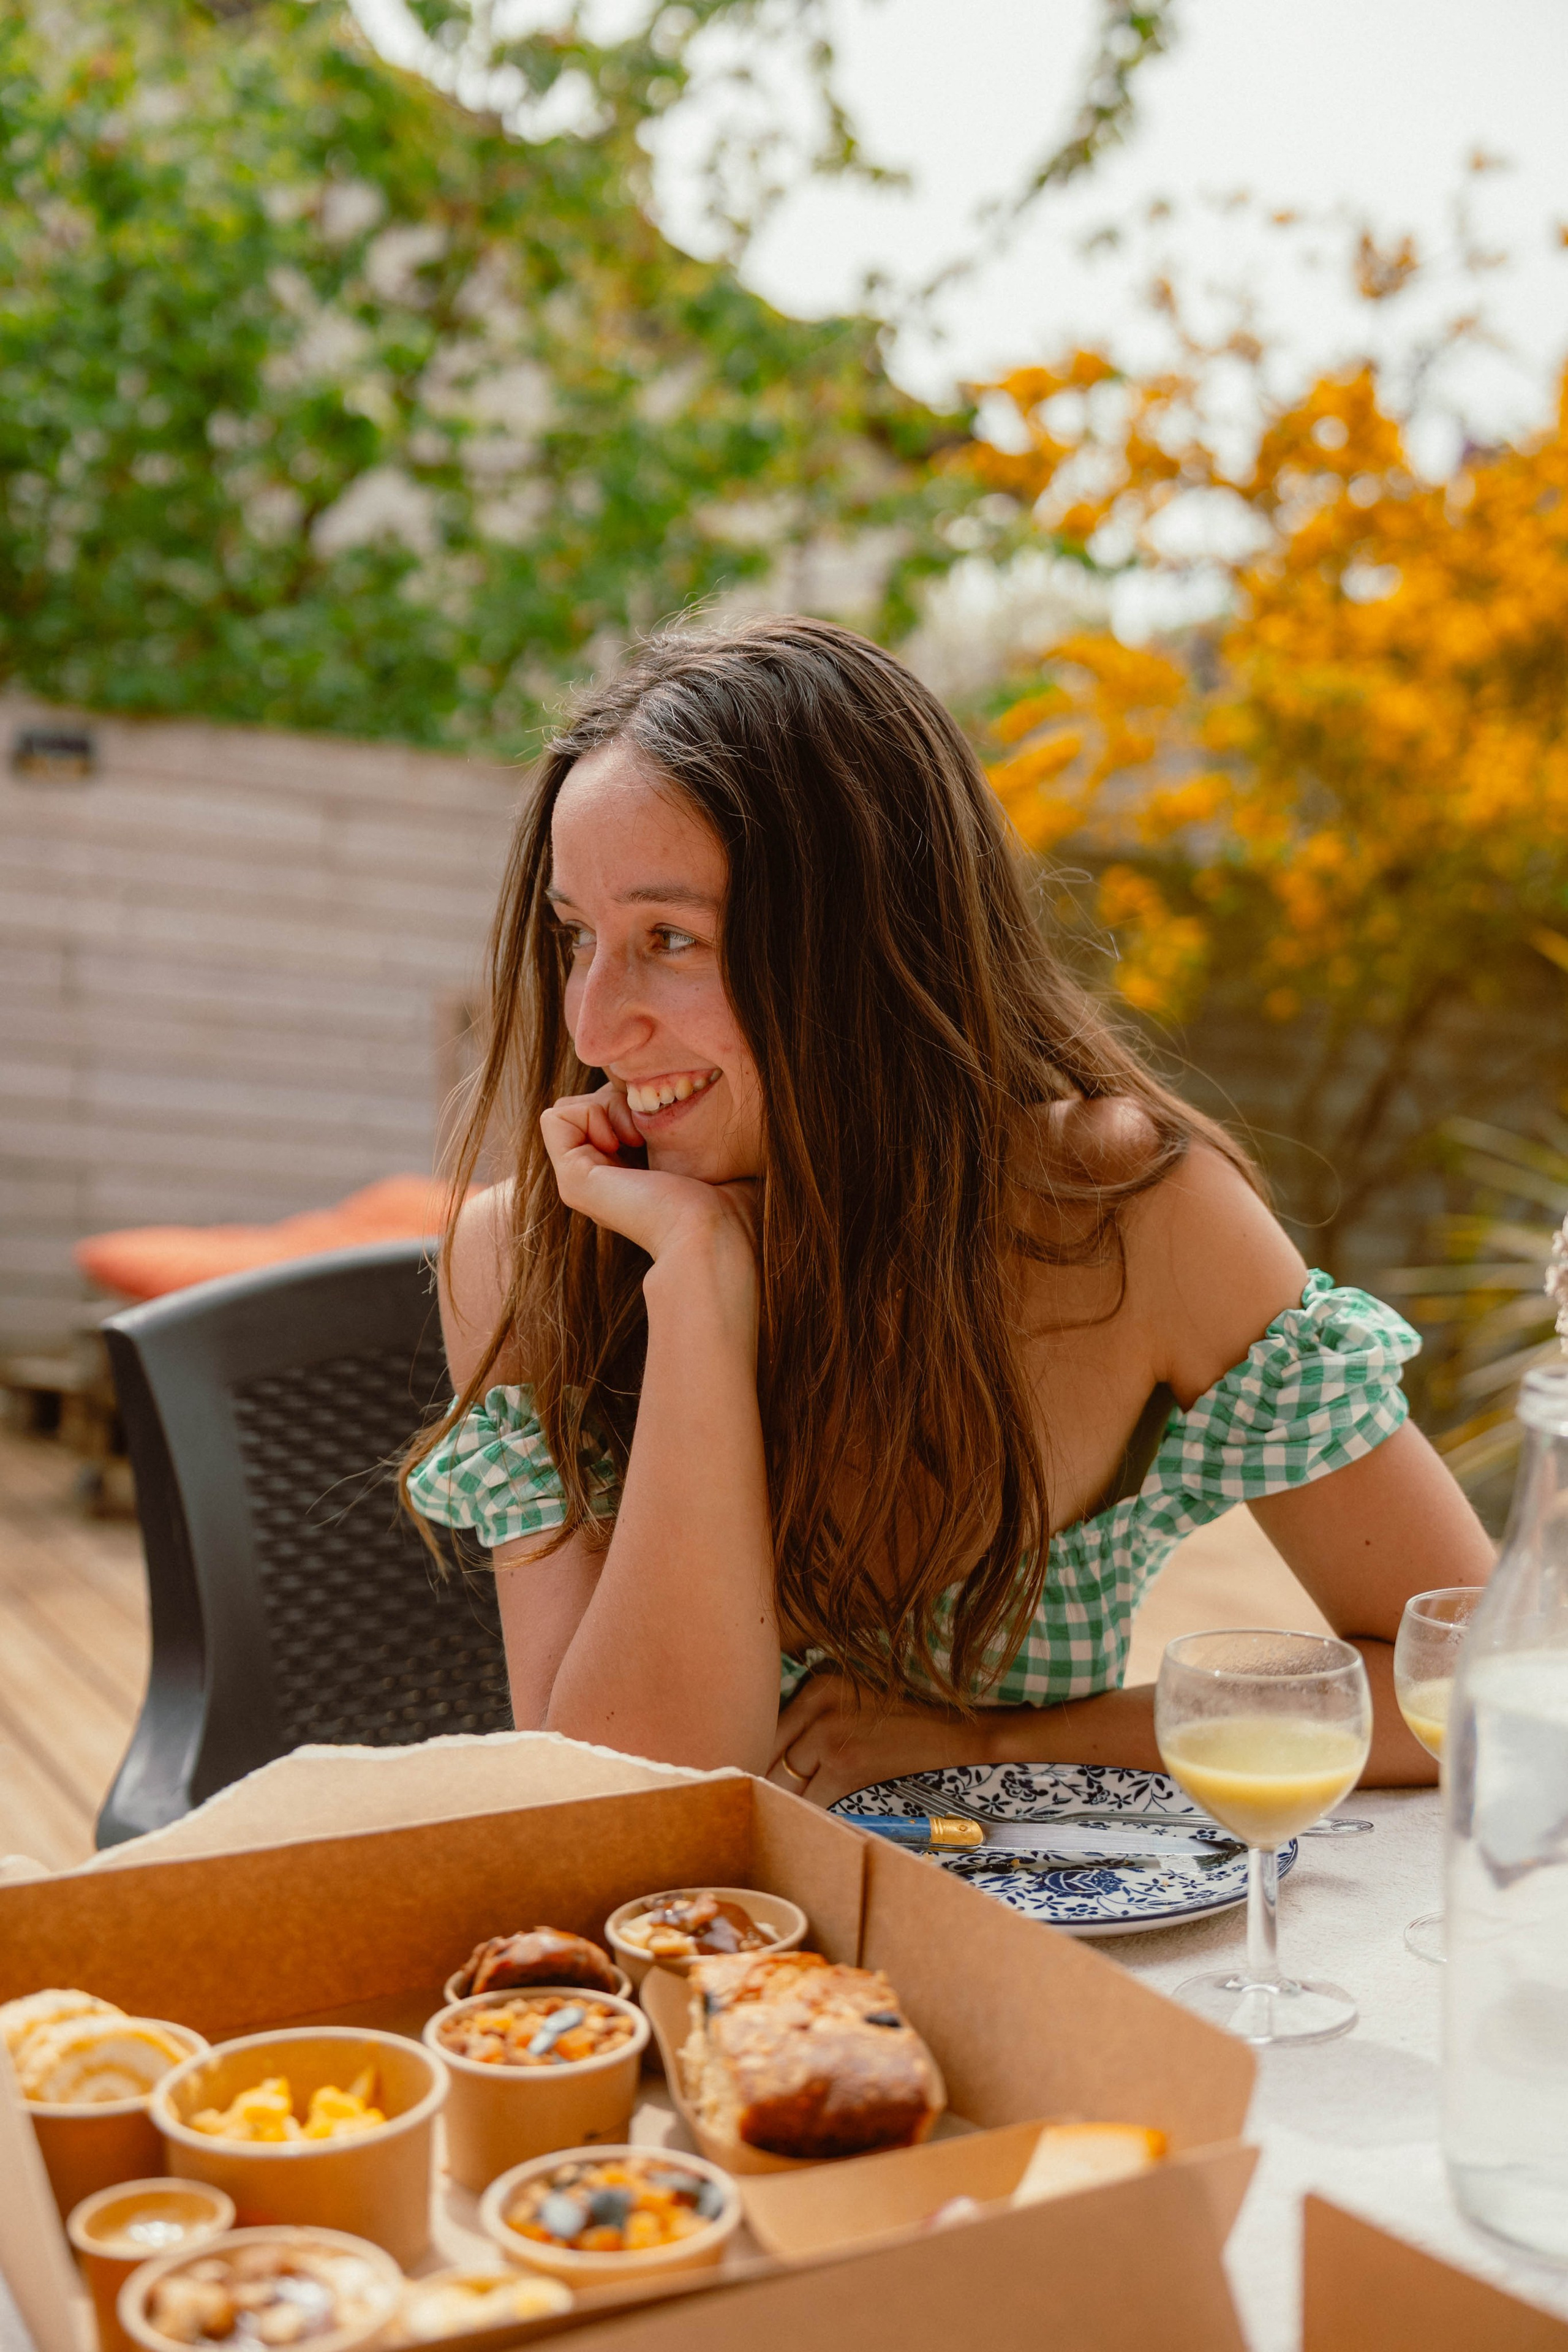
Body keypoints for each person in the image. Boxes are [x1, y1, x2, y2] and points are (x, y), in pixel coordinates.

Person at [405, 616, 1491, 1807]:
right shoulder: (524, 1257)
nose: (595, 1028)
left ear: (864, 944)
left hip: (1025, 1960)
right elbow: (638, 1797)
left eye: (669, 939)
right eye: (577, 938)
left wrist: (1001, 1741)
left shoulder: (1121, 1212)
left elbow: (1478, 1692)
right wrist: (701, 1288)